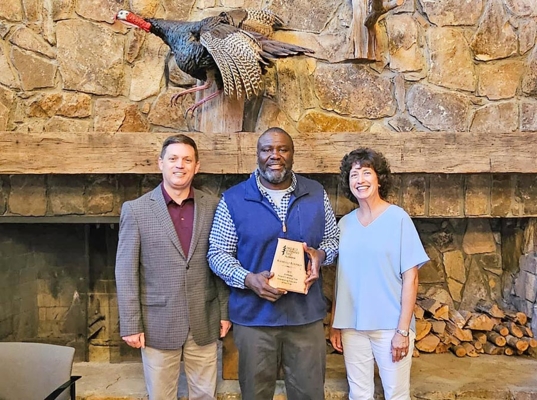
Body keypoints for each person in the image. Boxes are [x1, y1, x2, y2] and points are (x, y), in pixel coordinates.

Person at [208, 127, 339, 400]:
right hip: (254, 320)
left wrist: (321, 255)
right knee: (255, 395)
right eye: (267, 149)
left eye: (282, 149)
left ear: (292, 155)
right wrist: (248, 279)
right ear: (257, 154)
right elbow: (217, 253)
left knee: (310, 394)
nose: (274, 155)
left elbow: (332, 240)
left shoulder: (316, 193)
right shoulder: (233, 199)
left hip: (306, 318)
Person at [115, 134, 231, 400]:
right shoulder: (136, 210)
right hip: (158, 323)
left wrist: (225, 312)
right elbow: (125, 271)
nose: (180, 165)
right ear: (161, 163)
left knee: (205, 395)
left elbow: (222, 261)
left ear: (196, 166)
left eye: (187, 159)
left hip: (205, 318)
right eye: (173, 158)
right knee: (161, 396)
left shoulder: (214, 206)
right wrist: (131, 323)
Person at [329, 148, 429, 400]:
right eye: (354, 174)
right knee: (359, 394)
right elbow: (341, 280)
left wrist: (403, 331)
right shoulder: (344, 225)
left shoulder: (399, 219)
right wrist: (335, 324)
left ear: (379, 178)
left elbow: (411, 277)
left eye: (366, 173)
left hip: (390, 327)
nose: (360, 180)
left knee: (396, 394)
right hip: (352, 326)